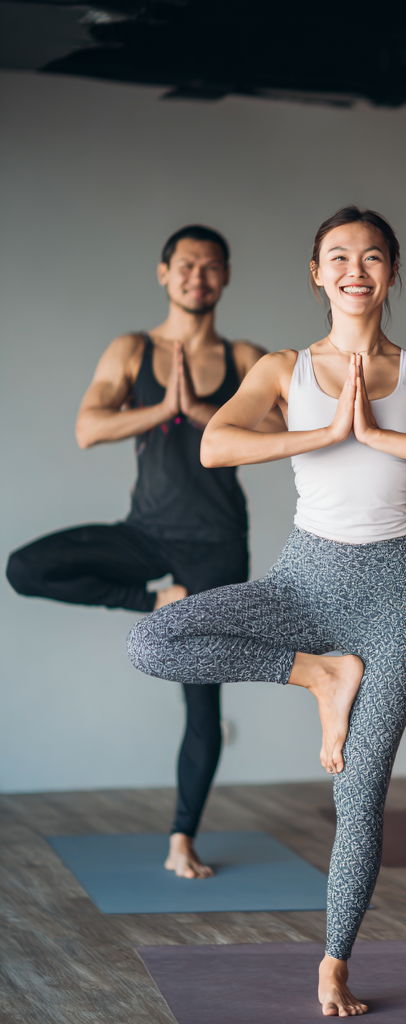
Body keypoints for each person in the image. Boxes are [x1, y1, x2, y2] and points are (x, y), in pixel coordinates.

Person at [126, 206, 406, 1016]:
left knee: (360, 794)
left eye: (371, 257)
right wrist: (325, 432)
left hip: (393, 594)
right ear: (317, 273)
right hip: (304, 580)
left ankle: (334, 961)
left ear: (392, 271)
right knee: (153, 641)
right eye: (338, 256)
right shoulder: (284, 368)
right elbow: (216, 444)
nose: (354, 269)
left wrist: (381, 434)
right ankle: (316, 675)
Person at [5, 225, 278, 880]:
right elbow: (87, 427)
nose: (197, 277)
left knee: (202, 699)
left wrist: (201, 408)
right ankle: (151, 600)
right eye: (186, 265)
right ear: (164, 273)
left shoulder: (247, 357)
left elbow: (281, 431)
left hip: (216, 544)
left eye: (211, 267)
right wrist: (164, 409)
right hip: (146, 531)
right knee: (25, 567)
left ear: (226, 277)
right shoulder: (132, 350)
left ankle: (183, 837)